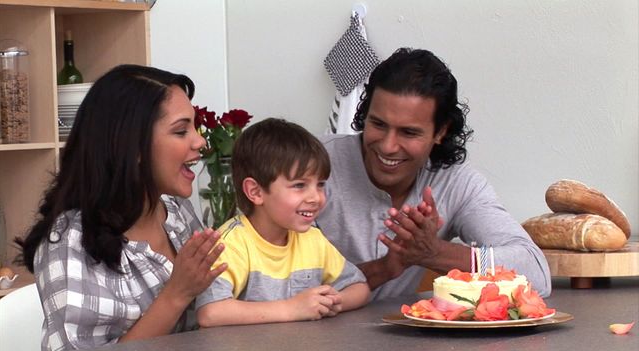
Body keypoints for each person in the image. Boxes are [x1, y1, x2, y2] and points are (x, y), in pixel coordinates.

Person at [15, 64, 227, 351]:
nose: (200, 141)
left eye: (195, 127)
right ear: (133, 147)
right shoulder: (71, 242)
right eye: (181, 131)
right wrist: (177, 294)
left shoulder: (177, 212)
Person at [315, 48, 551, 300]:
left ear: (440, 132)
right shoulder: (313, 165)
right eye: (378, 124)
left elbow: (535, 274)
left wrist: (434, 252)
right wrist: (384, 269)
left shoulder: (456, 183)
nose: (387, 145)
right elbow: (280, 289)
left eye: (408, 132)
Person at [196, 118, 370, 327]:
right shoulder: (229, 244)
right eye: (299, 185)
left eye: (320, 184)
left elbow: (359, 288)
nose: (316, 197)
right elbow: (211, 313)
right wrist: (292, 308)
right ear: (256, 192)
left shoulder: (313, 239)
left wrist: (331, 302)